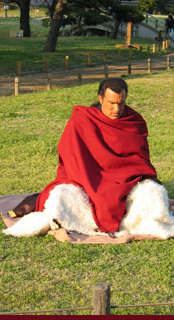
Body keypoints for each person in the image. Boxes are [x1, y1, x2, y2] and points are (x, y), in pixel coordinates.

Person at [34, 78, 157, 234]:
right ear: (100, 98)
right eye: (111, 103)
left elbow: (140, 161)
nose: (117, 109)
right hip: (88, 178)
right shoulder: (81, 122)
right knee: (62, 195)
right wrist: (95, 186)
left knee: (152, 191)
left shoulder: (133, 122)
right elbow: (73, 161)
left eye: (121, 103)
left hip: (125, 178)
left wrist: (121, 180)